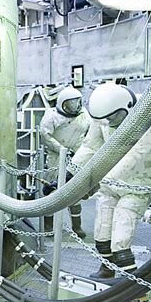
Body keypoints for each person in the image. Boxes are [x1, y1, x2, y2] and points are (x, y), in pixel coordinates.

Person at [72, 82, 151, 279]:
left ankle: (133, 289)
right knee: (102, 232)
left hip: (136, 184)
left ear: (127, 107)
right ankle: (107, 270)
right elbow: (90, 145)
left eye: (113, 117)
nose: (109, 121)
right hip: (110, 185)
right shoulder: (106, 114)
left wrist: (95, 180)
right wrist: (72, 173)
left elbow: (135, 154)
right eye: (104, 118)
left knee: (121, 240)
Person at [40, 86, 91, 238]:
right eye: (70, 104)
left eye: (77, 103)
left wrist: (80, 152)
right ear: (62, 103)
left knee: (75, 193)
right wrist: (61, 149)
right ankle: (48, 226)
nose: (74, 107)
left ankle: (77, 227)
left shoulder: (84, 115)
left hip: (76, 158)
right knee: (51, 193)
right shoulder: (51, 116)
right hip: (55, 159)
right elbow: (45, 135)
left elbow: (88, 134)